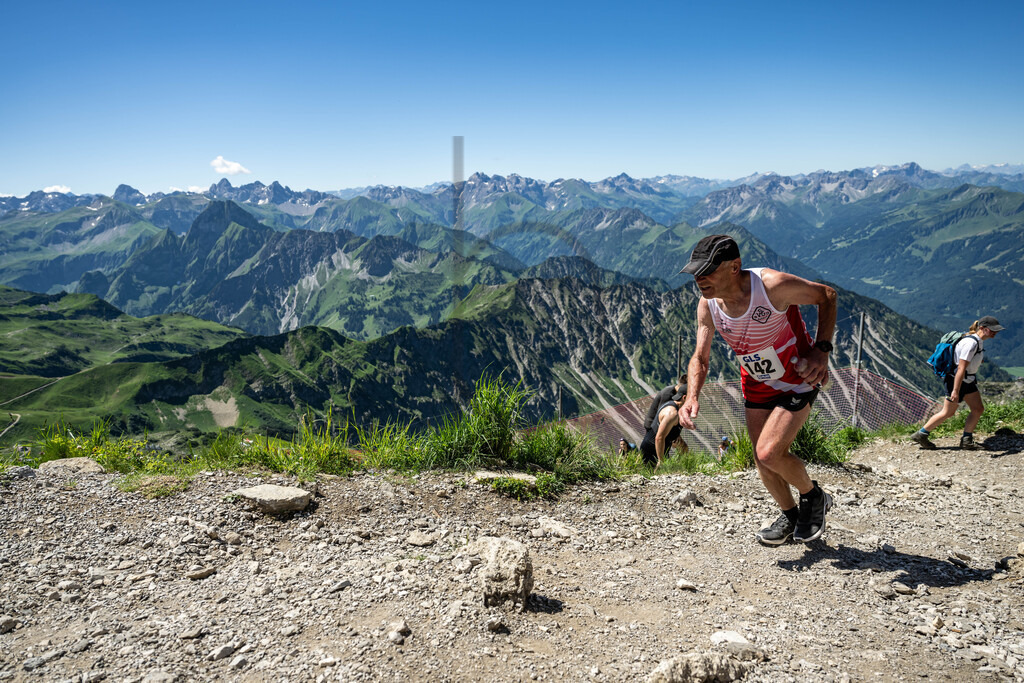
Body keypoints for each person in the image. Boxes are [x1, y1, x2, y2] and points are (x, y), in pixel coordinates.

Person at [676, 234, 838, 545]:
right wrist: (692, 396)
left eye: (708, 269)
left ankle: (814, 496)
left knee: (769, 452)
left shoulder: (771, 286)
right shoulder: (708, 305)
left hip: (797, 376)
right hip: (756, 382)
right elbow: (700, 357)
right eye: (696, 271)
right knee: (762, 460)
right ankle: (792, 516)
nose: (699, 278)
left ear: (734, 267)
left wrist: (822, 349)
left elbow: (827, 295)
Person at [910, 316, 1004, 451]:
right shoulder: (971, 343)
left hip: (966, 380)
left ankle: (966, 440)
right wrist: (955, 390)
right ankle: (921, 434)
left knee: (977, 409)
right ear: (982, 328)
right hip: (958, 380)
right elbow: (961, 368)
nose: (996, 332)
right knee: (948, 412)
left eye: (997, 330)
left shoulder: (976, 340)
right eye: (993, 330)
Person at [638, 377, 688, 469]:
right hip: (653, 426)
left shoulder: (676, 401)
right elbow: (662, 425)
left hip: (660, 431)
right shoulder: (668, 395)